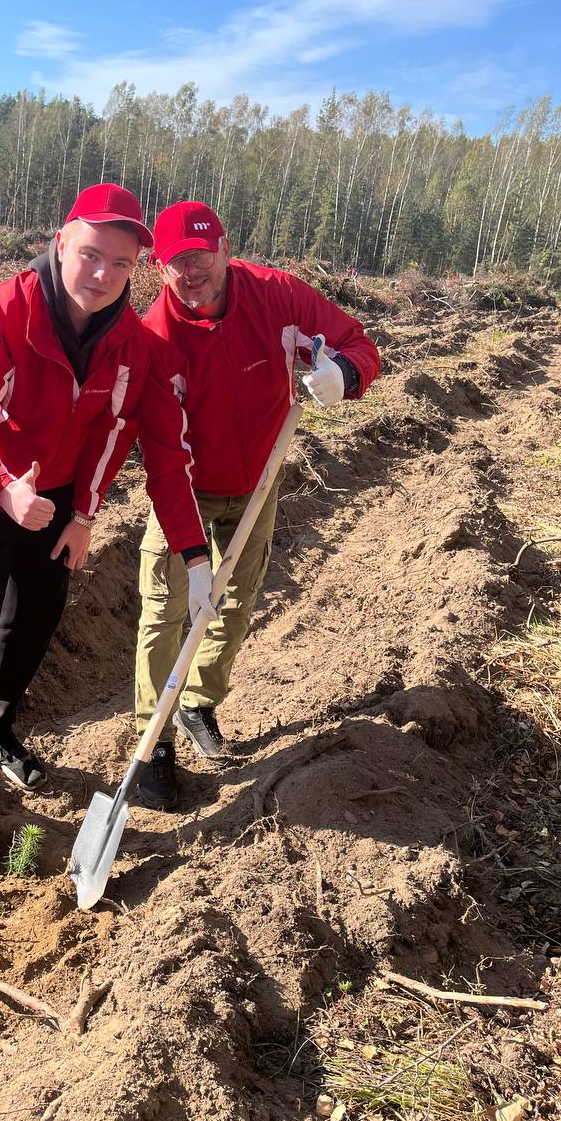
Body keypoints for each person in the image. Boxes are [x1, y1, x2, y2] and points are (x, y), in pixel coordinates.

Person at [0, 184, 209, 848]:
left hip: (54, 500)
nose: (102, 276)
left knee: (35, 619)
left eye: (119, 265)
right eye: (90, 255)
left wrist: (81, 515)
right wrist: (3, 490)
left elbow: (112, 434)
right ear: (61, 242)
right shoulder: (2, 315)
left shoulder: (129, 343)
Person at [134, 200, 381, 810]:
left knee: (238, 601)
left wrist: (341, 374)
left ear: (224, 248)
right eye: (173, 263)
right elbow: (163, 455)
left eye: (199, 257)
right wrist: (192, 555)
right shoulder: (155, 337)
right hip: (187, 485)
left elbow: (357, 342)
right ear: (160, 269)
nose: (189, 273)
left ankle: (197, 704)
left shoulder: (277, 297)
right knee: (165, 607)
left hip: (257, 482)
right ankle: (154, 738)